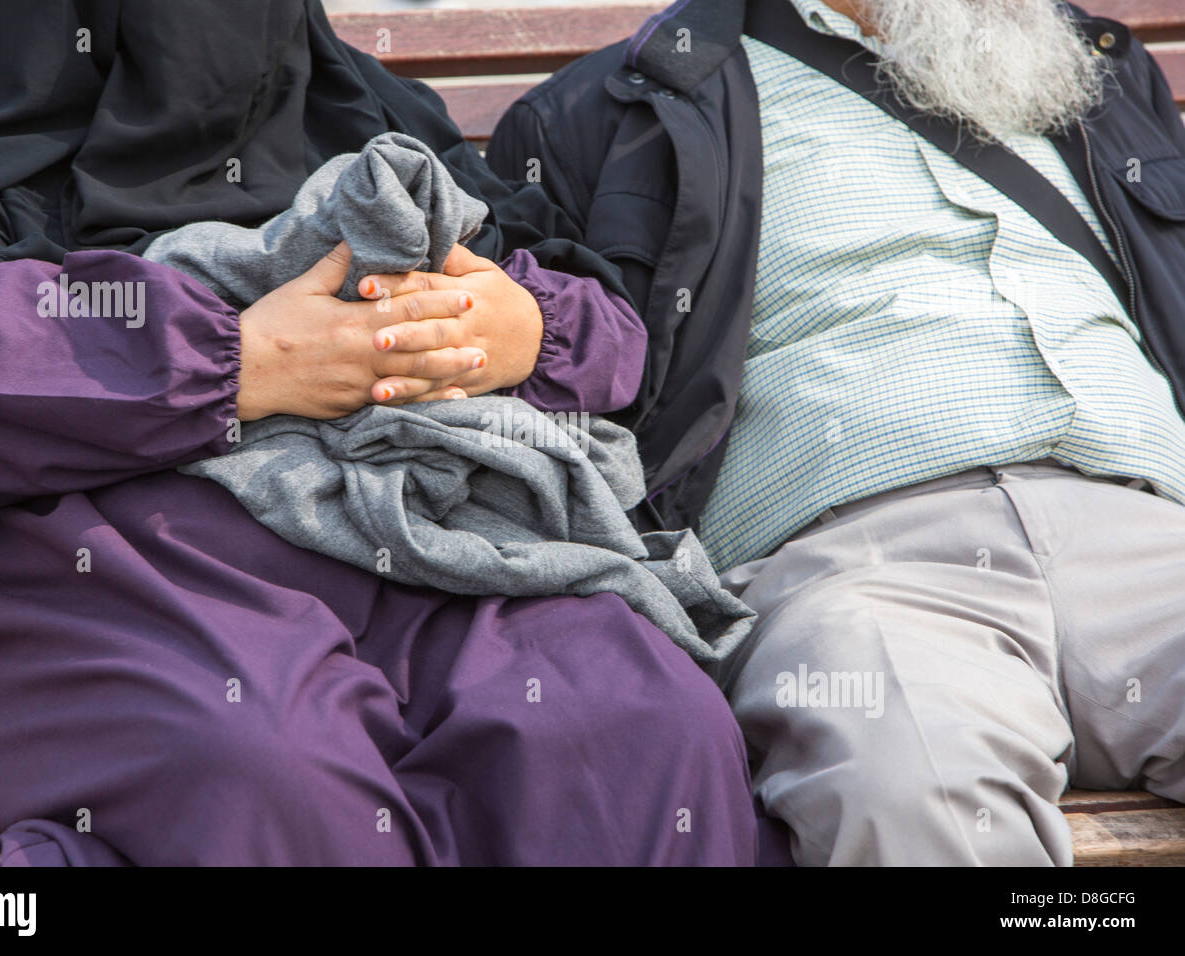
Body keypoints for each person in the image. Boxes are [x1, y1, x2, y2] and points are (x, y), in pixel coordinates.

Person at [0, 0, 763, 865]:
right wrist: (242, 362)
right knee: (259, 763)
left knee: (639, 721)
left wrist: (520, 328)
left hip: (437, 523)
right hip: (119, 548)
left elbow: (596, 327)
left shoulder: (359, 106)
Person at [488, 0, 1185, 865]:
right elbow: (574, 379)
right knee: (908, 793)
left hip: (1155, 540)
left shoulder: (1098, 69)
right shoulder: (610, 106)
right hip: (859, 571)